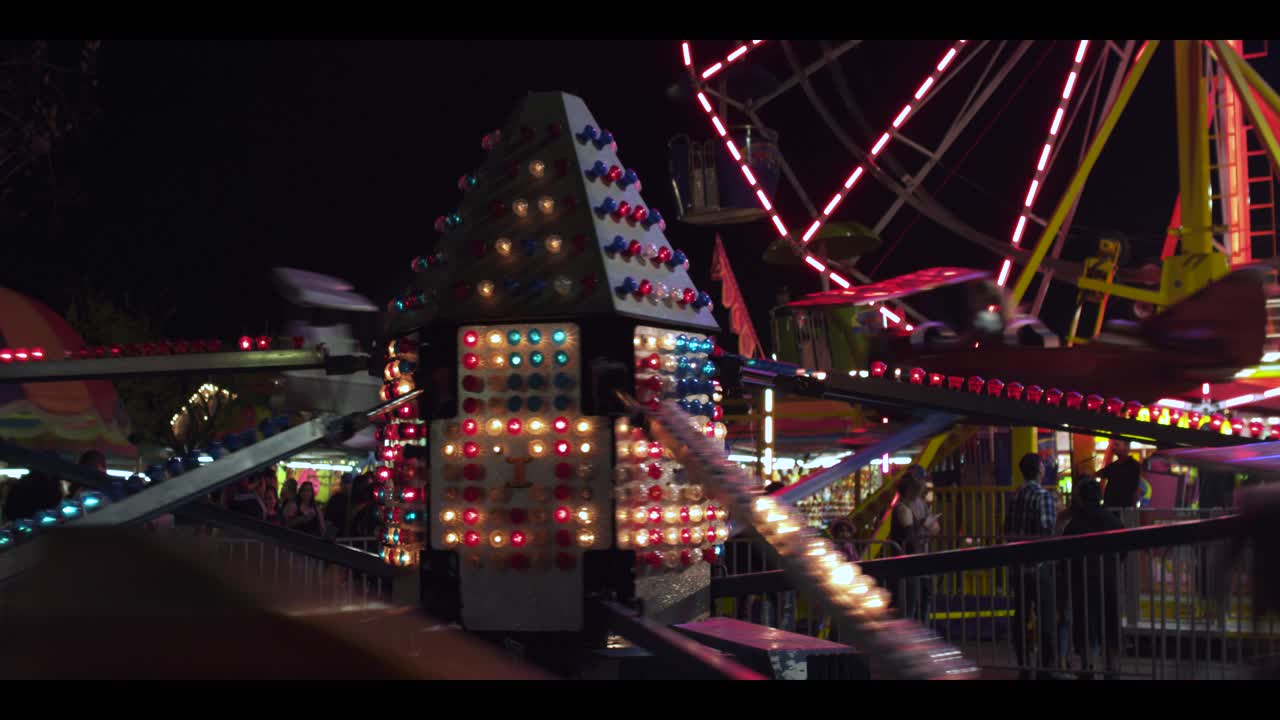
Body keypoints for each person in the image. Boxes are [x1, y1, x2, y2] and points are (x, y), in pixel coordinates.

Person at [1058, 476, 1123, 677]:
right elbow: (1124, 552)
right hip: (1109, 579)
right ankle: (1111, 669)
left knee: (1085, 625)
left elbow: (1063, 554)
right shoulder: (1113, 521)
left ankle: (1087, 668)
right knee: (1111, 623)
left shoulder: (1074, 525)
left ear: (1082, 498)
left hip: (1083, 581)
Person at [1004, 452, 1059, 680]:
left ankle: (1024, 664)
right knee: (1045, 617)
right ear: (1039, 469)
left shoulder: (1014, 497)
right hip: (1039, 566)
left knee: (1021, 616)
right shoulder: (1043, 496)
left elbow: (1006, 530)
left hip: (1018, 567)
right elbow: (1047, 530)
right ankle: (1046, 668)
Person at [889, 467, 939, 622]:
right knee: (911, 604)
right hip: (909, 563)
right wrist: (925, 525)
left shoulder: (917, 504)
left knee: (920, 602)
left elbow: (934, 528)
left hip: (917, 561)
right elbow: (909, 537)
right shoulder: (903, 508)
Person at [1099, 439, 1141, 511]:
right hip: (1112, 507)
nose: (1113, 447)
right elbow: (1099, 474)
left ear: (1126, 447)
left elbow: (1136, 489)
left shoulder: (1134, 466)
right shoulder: (1113, 466)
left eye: (1117, 445)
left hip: (1125, 508)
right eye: (1113, 445)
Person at [324, 473, 354, 538]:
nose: (347, 485)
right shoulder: (335, 499)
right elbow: (328, 519)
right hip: (338, 535)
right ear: (341, 484)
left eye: (349, 483)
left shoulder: (353, 499)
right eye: (346, 483)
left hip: (342, 535)